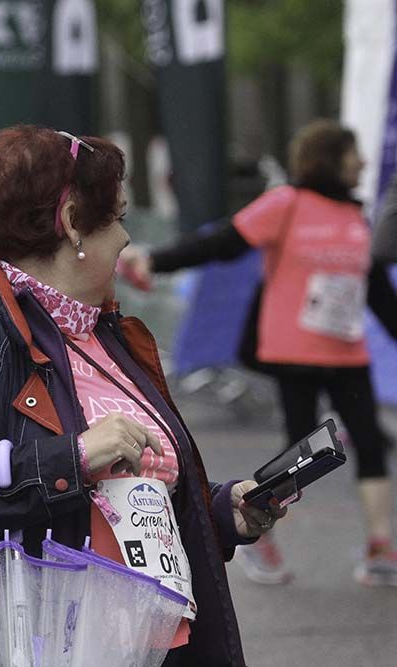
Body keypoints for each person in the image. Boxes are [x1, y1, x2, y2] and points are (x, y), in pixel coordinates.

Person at [0, 125, 283, 666]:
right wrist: (70, 458)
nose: (125, 238)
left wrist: (219, 513)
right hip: (35, 643)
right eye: (117, 217)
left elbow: (129, 493)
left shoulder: (99, 329)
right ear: (74, 222)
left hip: (140, 642)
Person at [125, 119, 397, 587]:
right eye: (355, 154)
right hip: (296, 351)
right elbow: (223, 243)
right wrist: (155, 260)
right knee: (302, 453)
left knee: (371, 445)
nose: (364, 162)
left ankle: (380, 547)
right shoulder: (286, 203)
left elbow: (373, 291)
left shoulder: (355, 216)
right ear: (332, 158)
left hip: (347, 352)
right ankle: (248, 522)